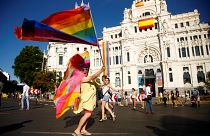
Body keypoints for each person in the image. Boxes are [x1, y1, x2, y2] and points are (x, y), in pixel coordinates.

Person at [73, 66, 105, 136]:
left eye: (86, 69)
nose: (85, 71)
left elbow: (98, 85)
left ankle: (83, 130)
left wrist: (102, 80)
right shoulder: (82, 79)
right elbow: (92, 77)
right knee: (88, 114)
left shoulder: (90, 80)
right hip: (86, 99)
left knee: (87, 115)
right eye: (83, 70)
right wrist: (101, 70)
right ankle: (77, 130)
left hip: (91, 100)